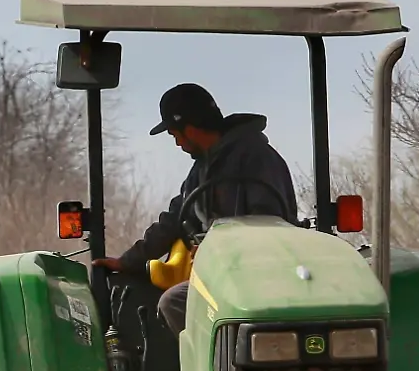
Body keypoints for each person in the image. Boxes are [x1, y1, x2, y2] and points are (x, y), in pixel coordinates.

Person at [92, 83, 296, 338]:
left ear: (189, 130)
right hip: (225, 276)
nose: (177, 143)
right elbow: (174, 220)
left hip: (264, 275)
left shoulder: (257, 159)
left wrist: (215, 248)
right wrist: (127, 261)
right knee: (173, 302)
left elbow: (268, 224)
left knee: (175, 301)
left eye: (175, 135)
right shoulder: (201, 171)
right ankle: (218, 370)